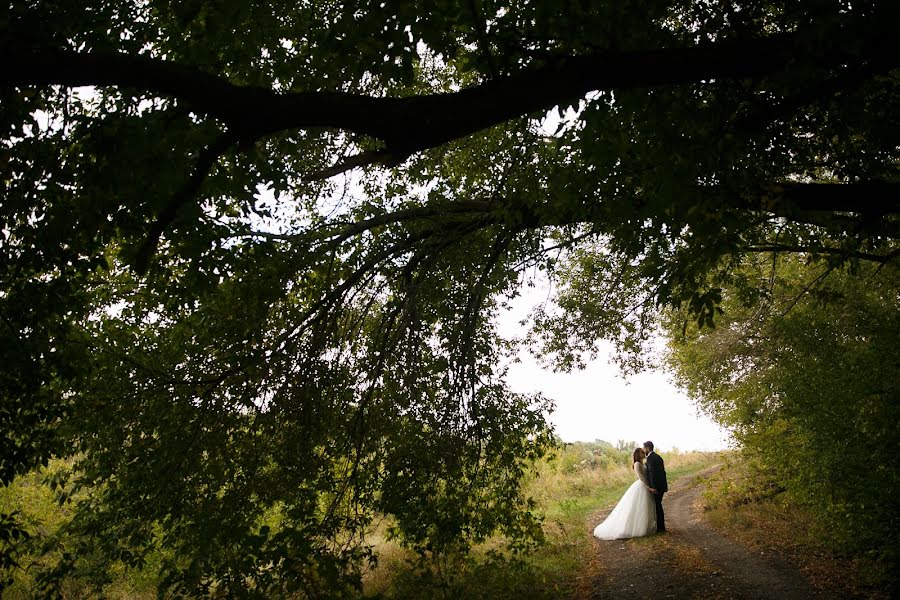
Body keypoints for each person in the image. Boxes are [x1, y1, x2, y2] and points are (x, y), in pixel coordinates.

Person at [592, 447, 656, 540]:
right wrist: (648, 487)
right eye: (642, 452)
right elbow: (641, 478)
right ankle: (637, 529)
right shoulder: (637, 464)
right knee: (639, 507)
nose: (644, 453)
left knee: (645, 507)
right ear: (638, 454)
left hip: (646, 486)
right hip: (642, 486)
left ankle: (646, 526)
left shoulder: (642, 463)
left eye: (643, 451)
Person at [643, 440, 668, 533]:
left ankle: (660, 528)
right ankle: (661, 527)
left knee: (657, 506)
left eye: (644, 448)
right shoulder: (658, 457)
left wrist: (654, 488)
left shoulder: (650, 459)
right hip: (661, 485)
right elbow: (662, 473)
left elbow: (653, 474)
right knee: (658, 506)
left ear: (648, 448)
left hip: (656, 487)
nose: (643, 450)